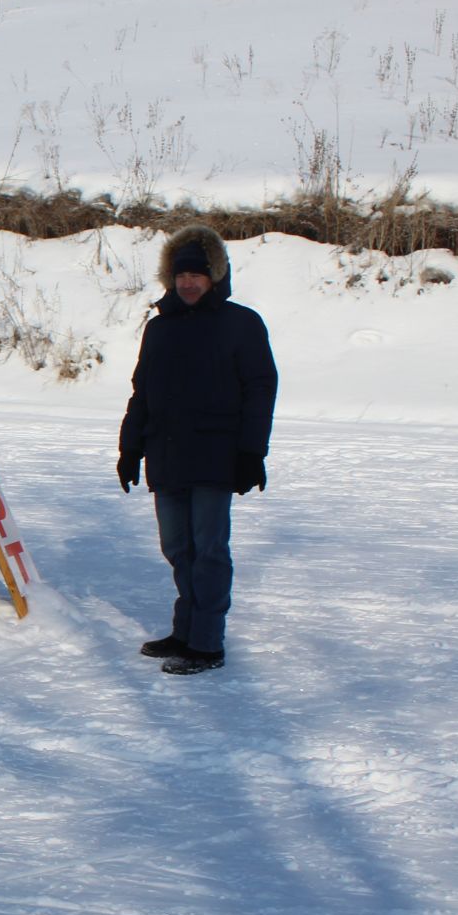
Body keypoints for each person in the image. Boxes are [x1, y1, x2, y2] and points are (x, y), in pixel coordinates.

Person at [117, 223, 278, 676]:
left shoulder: (240, 324)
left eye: (197, 275)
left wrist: (251, 452)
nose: (188, 283)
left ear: (215, 277)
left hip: (215, 457)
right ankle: (185, 630)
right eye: (181, 275)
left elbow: (260, 389)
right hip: (166, 455)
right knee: (177, 548)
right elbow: (141, 393)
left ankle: (207, 643)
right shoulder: (159, 329)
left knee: (209, 550)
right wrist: (130, 448)